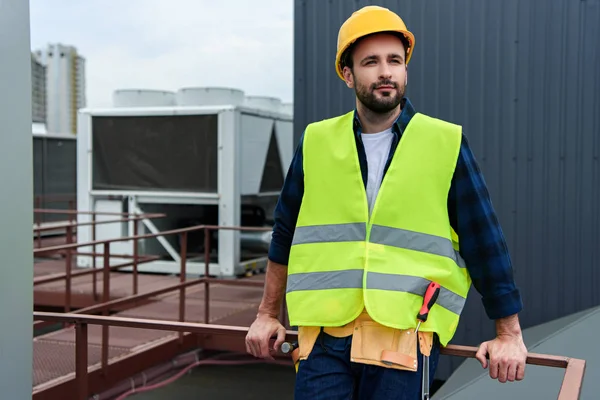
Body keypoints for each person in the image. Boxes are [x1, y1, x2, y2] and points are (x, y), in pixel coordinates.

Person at [245, 5, 528, 399]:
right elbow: (285, 233)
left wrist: (508, 333)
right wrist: (266, 315)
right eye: (371, 62)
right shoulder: (316, 142)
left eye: (395, 60)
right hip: (324, 337)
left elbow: (484, 241)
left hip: (405, 336)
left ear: (406, 70)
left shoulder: (443, 143)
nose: (385, 72)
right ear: (348, 74)